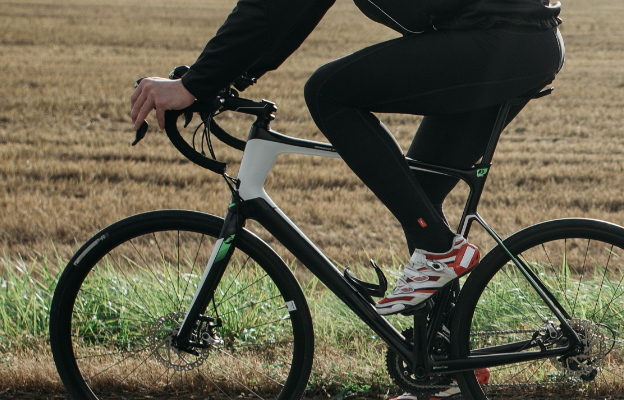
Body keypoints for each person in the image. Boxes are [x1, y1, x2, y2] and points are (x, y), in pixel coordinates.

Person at [130, 0, 563, 319]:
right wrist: (217, 80)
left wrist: (197, 84)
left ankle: (438, 249)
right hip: (513, 37)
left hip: (503, 37)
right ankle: (445, 364)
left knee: (326, 92)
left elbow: (270, 11)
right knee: (419, 194)